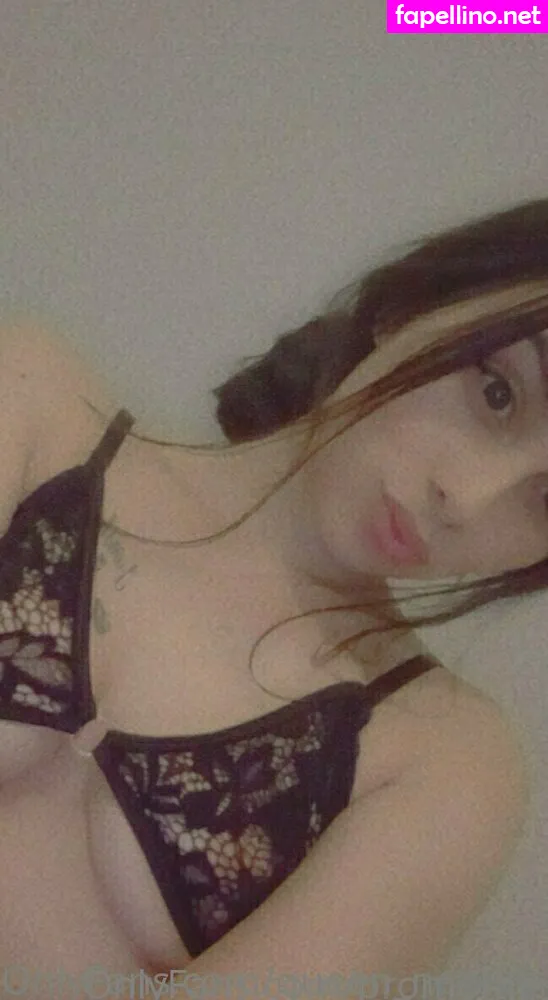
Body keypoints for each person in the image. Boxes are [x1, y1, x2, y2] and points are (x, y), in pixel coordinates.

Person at [2, 196, 547, 998]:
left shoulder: (442, 758)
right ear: (415, 306)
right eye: (498, 392)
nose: (465, 496)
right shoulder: (33, 401)